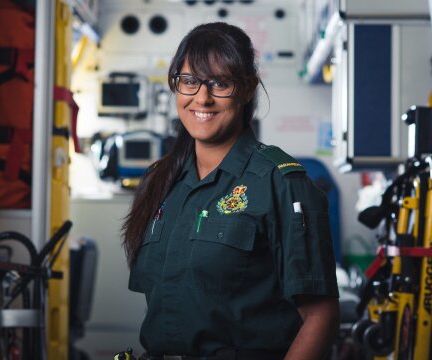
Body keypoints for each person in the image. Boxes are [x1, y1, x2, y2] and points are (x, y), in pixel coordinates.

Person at [122, 22, 339, 360]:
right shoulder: (160, 182)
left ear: (247, 89)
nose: (202, 97)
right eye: (190, 81)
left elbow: (320, 317)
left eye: (220, 83)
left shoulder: (280, 182)